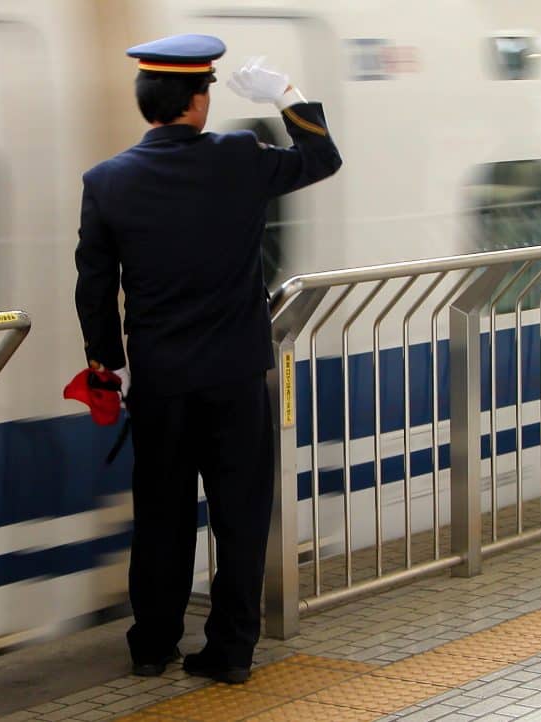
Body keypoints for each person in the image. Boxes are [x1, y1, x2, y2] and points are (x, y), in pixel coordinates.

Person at [73, 33, 342, 684]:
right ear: (198, 102)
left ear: (148, 104)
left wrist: (105, 362)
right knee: (240, 517)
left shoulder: (106, 182)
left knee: (162, 517)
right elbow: (321, 156)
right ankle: (229, 651)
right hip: (235, 378)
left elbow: (92, 285)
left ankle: (152, 644)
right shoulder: (237, 159)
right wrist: (285, 95)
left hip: (161, 384)